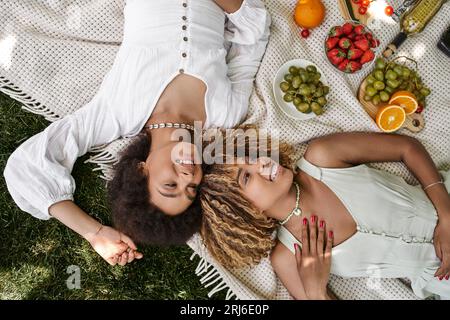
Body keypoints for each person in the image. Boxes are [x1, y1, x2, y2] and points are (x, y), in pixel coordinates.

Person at [3, 0, 271, 266]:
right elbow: (256, 32)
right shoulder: (226, 115)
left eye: (170, 185)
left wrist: (94, 232)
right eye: (191, 188)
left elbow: (25, 167)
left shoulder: (117, 113)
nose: (188, 176)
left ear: (141, 171)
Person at [199, 130, 450, 299]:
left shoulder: (322, 157)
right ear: (243, 213)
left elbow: (406, 147)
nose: (262, 163)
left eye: (250, 156)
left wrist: (446, 217)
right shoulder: (287, 258)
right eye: (246, 176)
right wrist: (316, 291)